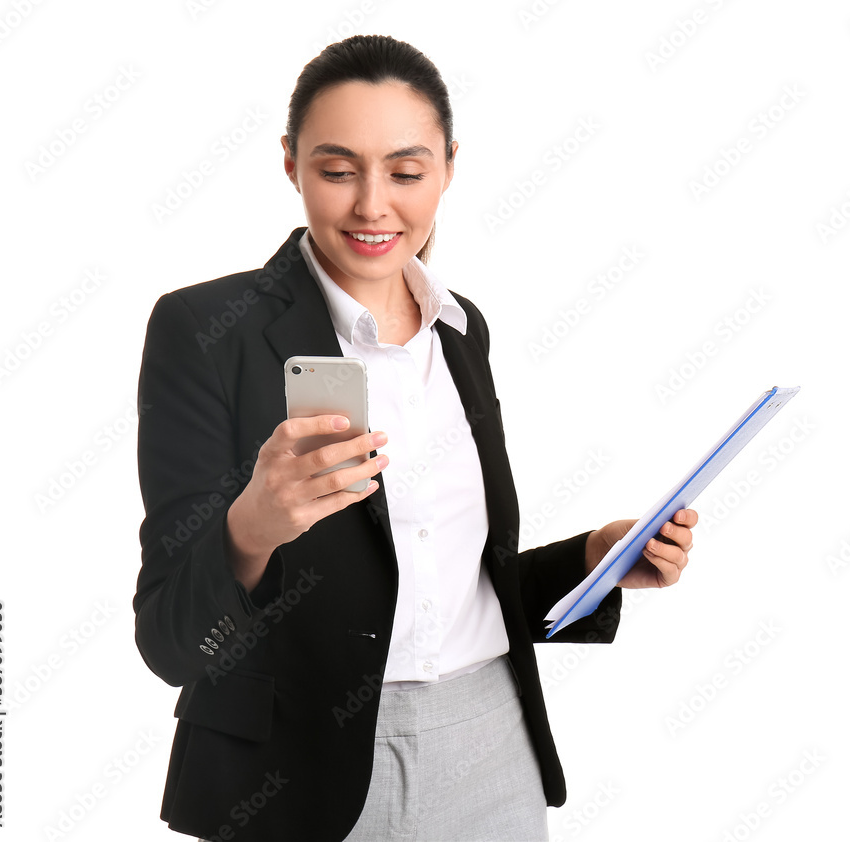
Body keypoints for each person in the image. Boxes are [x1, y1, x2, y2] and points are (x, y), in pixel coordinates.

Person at [133, 34, 697, 842]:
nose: (372, 206)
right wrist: (251, 529)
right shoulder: (203, 332)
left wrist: (596, 563)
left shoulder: (463, 331)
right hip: (296, 778)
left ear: (449, 166)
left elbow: (451, 587)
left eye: (405, 171)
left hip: (491, 749)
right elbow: (168, 640)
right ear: (290, 163)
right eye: (336, 170)